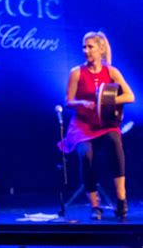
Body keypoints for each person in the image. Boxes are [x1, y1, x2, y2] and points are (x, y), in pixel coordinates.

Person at [59, 31, 135, 220]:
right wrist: (82, 103)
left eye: (90, 46)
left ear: (100, 49)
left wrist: (108, 101)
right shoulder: (76, 73)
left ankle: (121, 199)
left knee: (115, 141)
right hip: (83, 126)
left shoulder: (111, 72)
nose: (86, 50)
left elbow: (130, 96)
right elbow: (68, 100)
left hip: (106, 124)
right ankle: (95, 205)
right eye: (84, 47)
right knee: (86, 155)